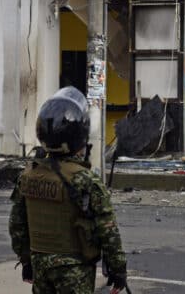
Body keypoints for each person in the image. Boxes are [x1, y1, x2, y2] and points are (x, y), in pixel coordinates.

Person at [9, 87, 127, 294]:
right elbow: (107, 229)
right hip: (75, 267)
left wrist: (26, 260)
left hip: (40, 264)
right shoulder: (84, 179)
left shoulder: (28, 176)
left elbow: (17, 225)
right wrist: (118, 269)